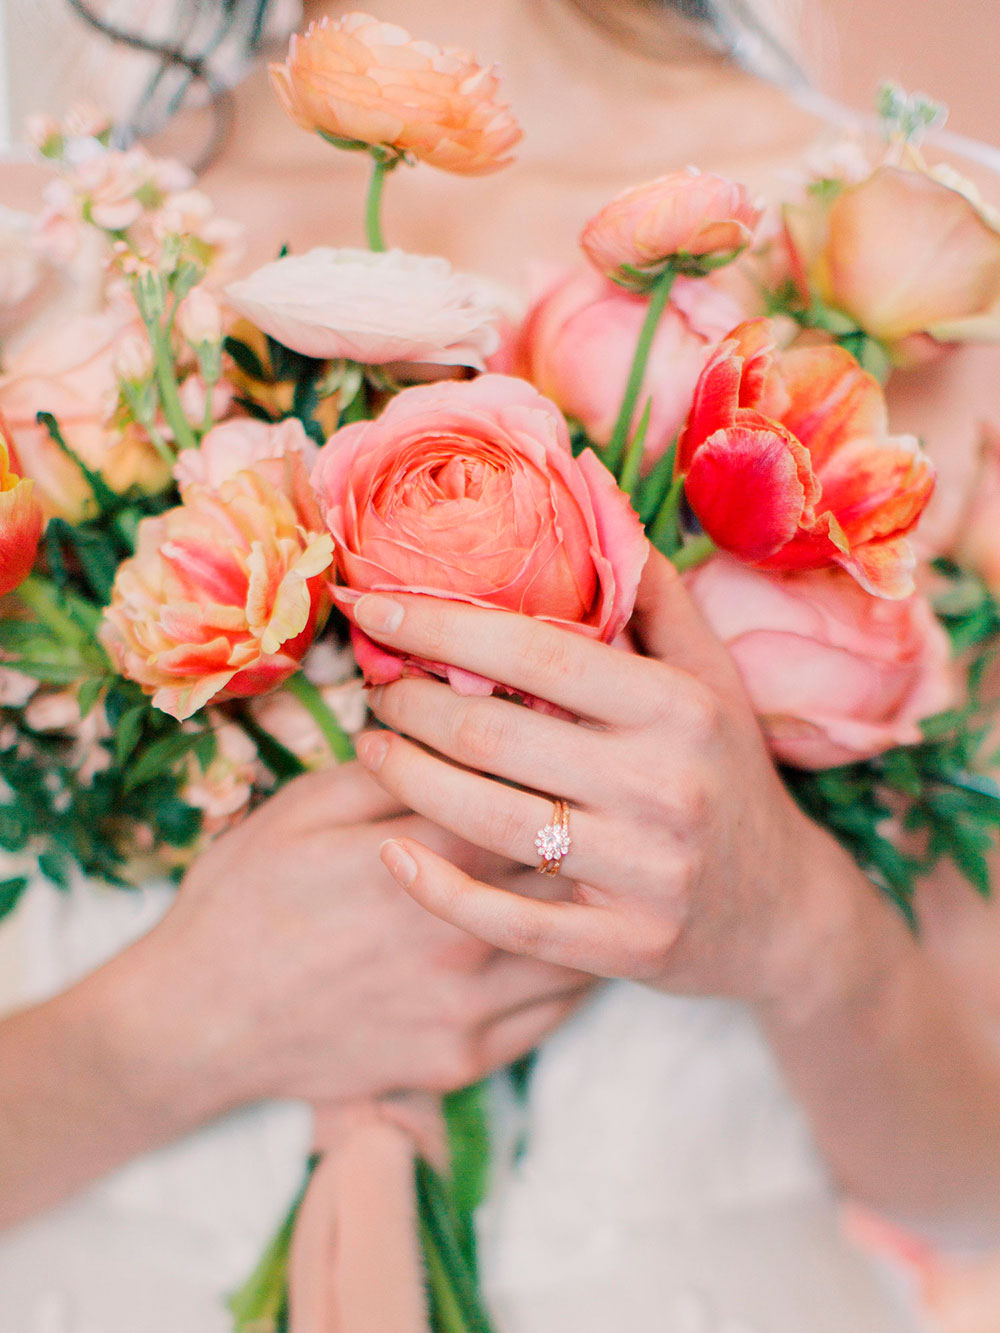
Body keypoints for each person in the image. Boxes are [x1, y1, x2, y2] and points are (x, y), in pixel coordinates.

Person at [1, 2, 999, 1332]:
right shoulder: (49, 258)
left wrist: (792, 925)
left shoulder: (915, 262)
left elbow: (973, 1184)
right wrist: (165, 1029)